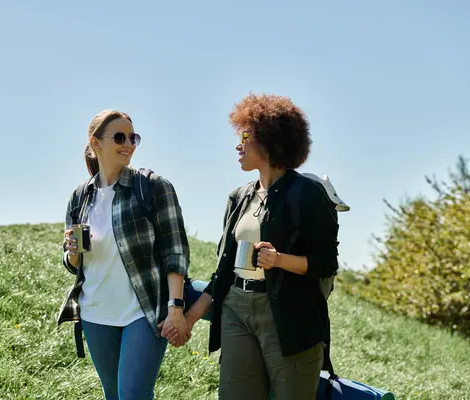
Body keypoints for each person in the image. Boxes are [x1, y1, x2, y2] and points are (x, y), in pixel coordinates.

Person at [175, 93, 340, 399]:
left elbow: (326, 262)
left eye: (245, 136)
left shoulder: (308, 192)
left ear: (270, 139)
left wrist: (278, 260)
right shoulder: (238, 197)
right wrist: (188, 320)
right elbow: (223, 273)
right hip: (236, 308)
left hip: (290, 315)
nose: (238, 145)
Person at [57, 109, 190, 400]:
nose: (128, 144)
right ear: (96, 143)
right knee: (113, 396)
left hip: (141, 311)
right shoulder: (80, 197)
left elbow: (175, 250)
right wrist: (74, 253)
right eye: (119, 137)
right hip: (95, 313)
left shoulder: (153, 187)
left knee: (133, 394)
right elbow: (71, 264)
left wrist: (176, 308)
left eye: (133, 137)